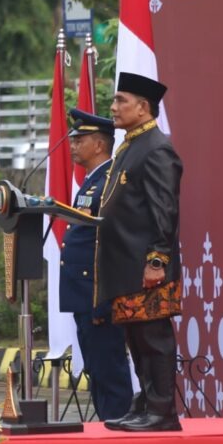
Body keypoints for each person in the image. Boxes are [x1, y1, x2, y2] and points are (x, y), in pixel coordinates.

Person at [97, 72, 183, 433]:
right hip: (125, 265)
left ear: (143, 108)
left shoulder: (157, 148)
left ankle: (162, 410)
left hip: (147, 266)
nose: (113, 107)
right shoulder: (131, 145)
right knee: (136, 337)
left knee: (153, 338)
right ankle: (145, 403)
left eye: (121, 101)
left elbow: (165, 210)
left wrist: (157, 260)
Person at [61, 109, 132, 421]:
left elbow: (111, 245)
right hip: (84, 295)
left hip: (97, 296)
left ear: (100, 145)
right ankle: (107, 428)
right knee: (97, 370)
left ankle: (117, 436)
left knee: (109, 372)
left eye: (80, 139)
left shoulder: (110, 181)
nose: (73, 145)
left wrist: (103, 299)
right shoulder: (92, 181)